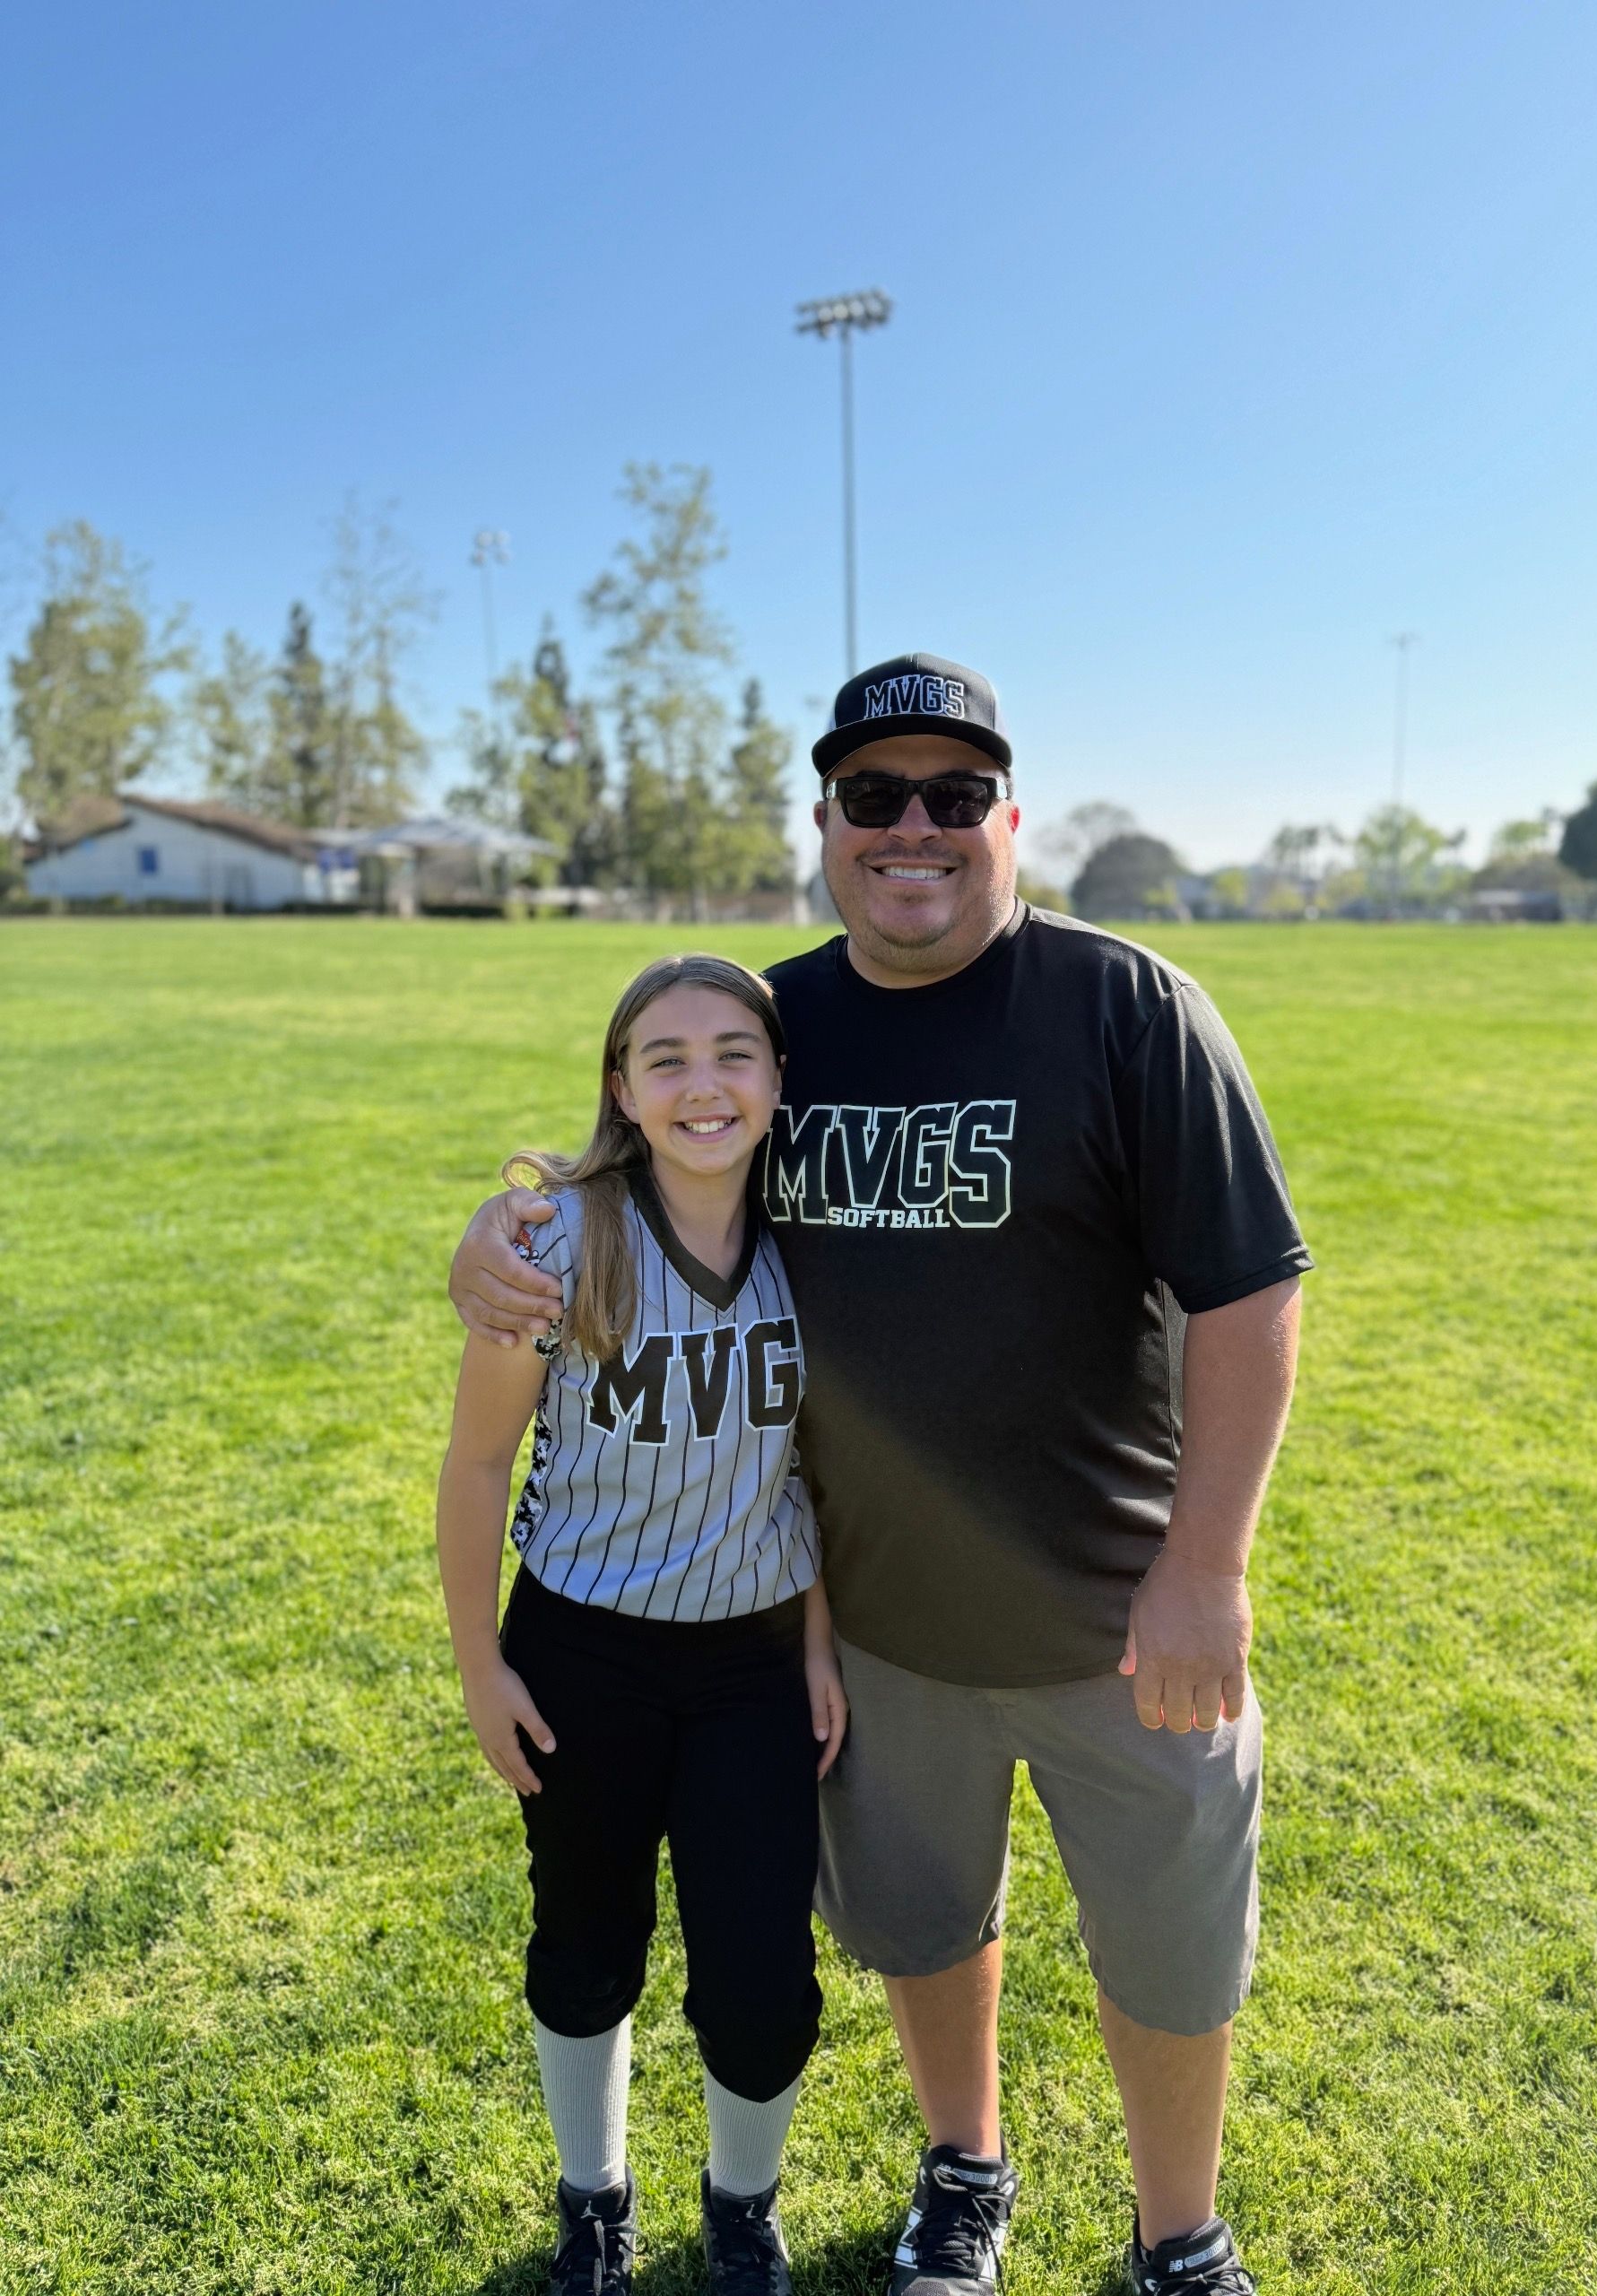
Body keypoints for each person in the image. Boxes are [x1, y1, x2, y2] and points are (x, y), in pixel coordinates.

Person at [451, 654, 1312, 2296]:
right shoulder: (781, 1025)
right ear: (829, 822)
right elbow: (626, 1163)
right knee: (926, 1924)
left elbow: (1250, 1289)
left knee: (1170, 1958)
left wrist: (1206, 1565)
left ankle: (1178, 2236)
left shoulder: (1126, 1006)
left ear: (1010, 817)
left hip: (1120, 1617)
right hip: (881, 1628)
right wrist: (491, 1239)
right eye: (873, 797)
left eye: (953, 795)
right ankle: (962, 2174)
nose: (912, 829)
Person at [437, 952, 846, 2296]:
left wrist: (818, 1640)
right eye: (663, 1058)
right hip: (584, 1648)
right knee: (584, 1938)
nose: (704, 1084)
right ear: (620, 1086)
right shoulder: (559, 1238)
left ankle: (742, 2209)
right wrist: (481, 1663)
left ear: (781, 1077)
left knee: (759, 1974)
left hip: (752, 1662)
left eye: (735, 1051)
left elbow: (813, 1470)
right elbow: (479, 1467)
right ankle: (593, 2202)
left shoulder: (818, 1239)